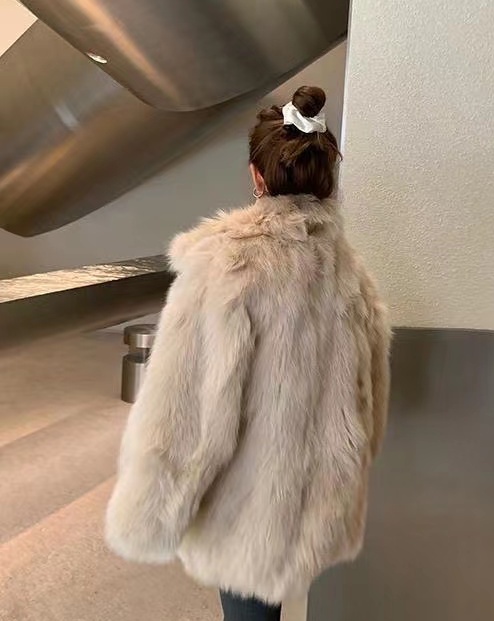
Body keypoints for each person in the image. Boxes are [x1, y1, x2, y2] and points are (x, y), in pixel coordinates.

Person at [105, 85, 391, 621]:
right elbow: (368, 409)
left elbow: (185, 410)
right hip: (313, 501)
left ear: (257, 178)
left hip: (245, 504)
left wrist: (151, 514)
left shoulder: (227, 267)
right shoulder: (352, 276)